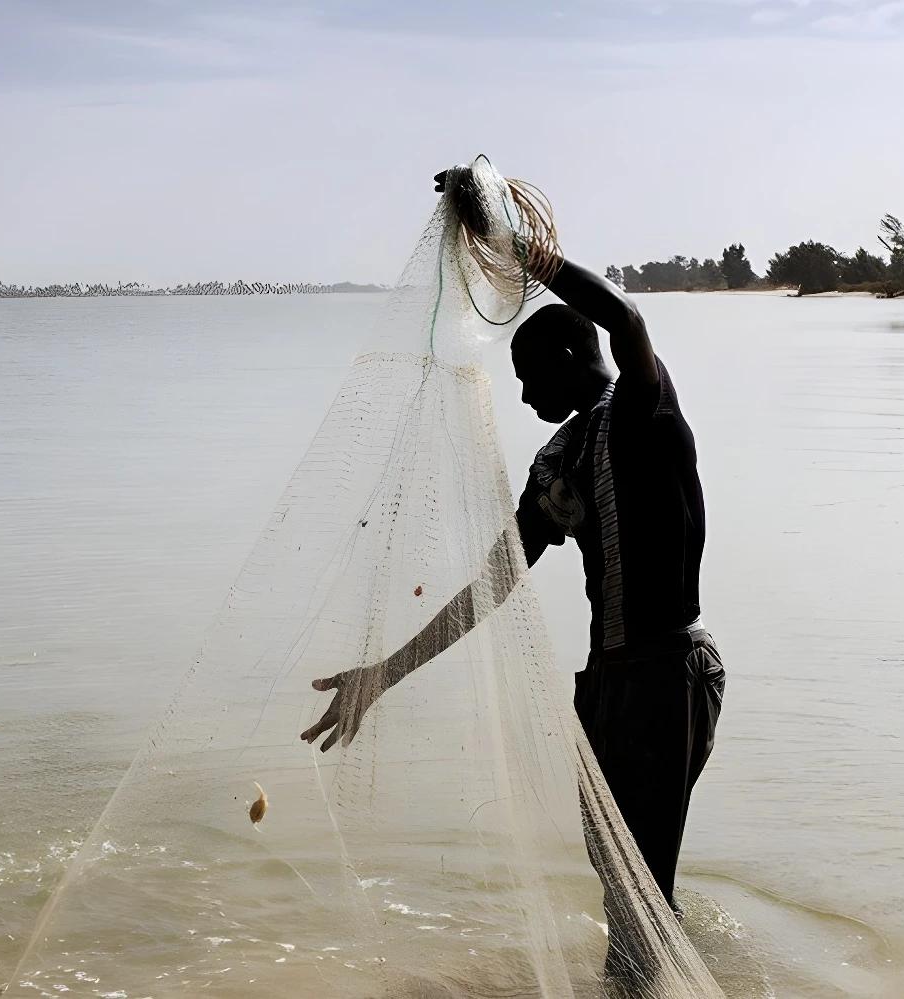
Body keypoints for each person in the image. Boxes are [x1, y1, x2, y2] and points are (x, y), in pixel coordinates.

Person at [299, 167, 726, 939]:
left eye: (530, 379)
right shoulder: (561, 462)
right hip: (610, 688)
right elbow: (494, 581)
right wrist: (382, 674)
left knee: (641, 891)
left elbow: (626, 319)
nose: (526, 399)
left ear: (570, 351)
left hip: (667, 675)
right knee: (622, 886)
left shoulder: (641, 411)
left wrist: (512, 243)